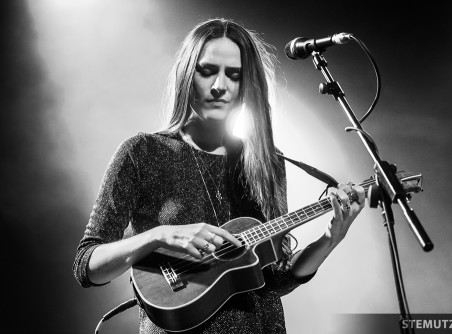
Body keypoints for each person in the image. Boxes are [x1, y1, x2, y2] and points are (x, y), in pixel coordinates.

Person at [73, 18, 365, 334]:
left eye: (234, 75)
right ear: (188, 74)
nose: (219, 86)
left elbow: (272, 280)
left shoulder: (266, 162)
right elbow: (88, 266)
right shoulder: (142, 152)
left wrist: (330, 238)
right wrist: (160, 235)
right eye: (207, 70)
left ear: (246, 84)